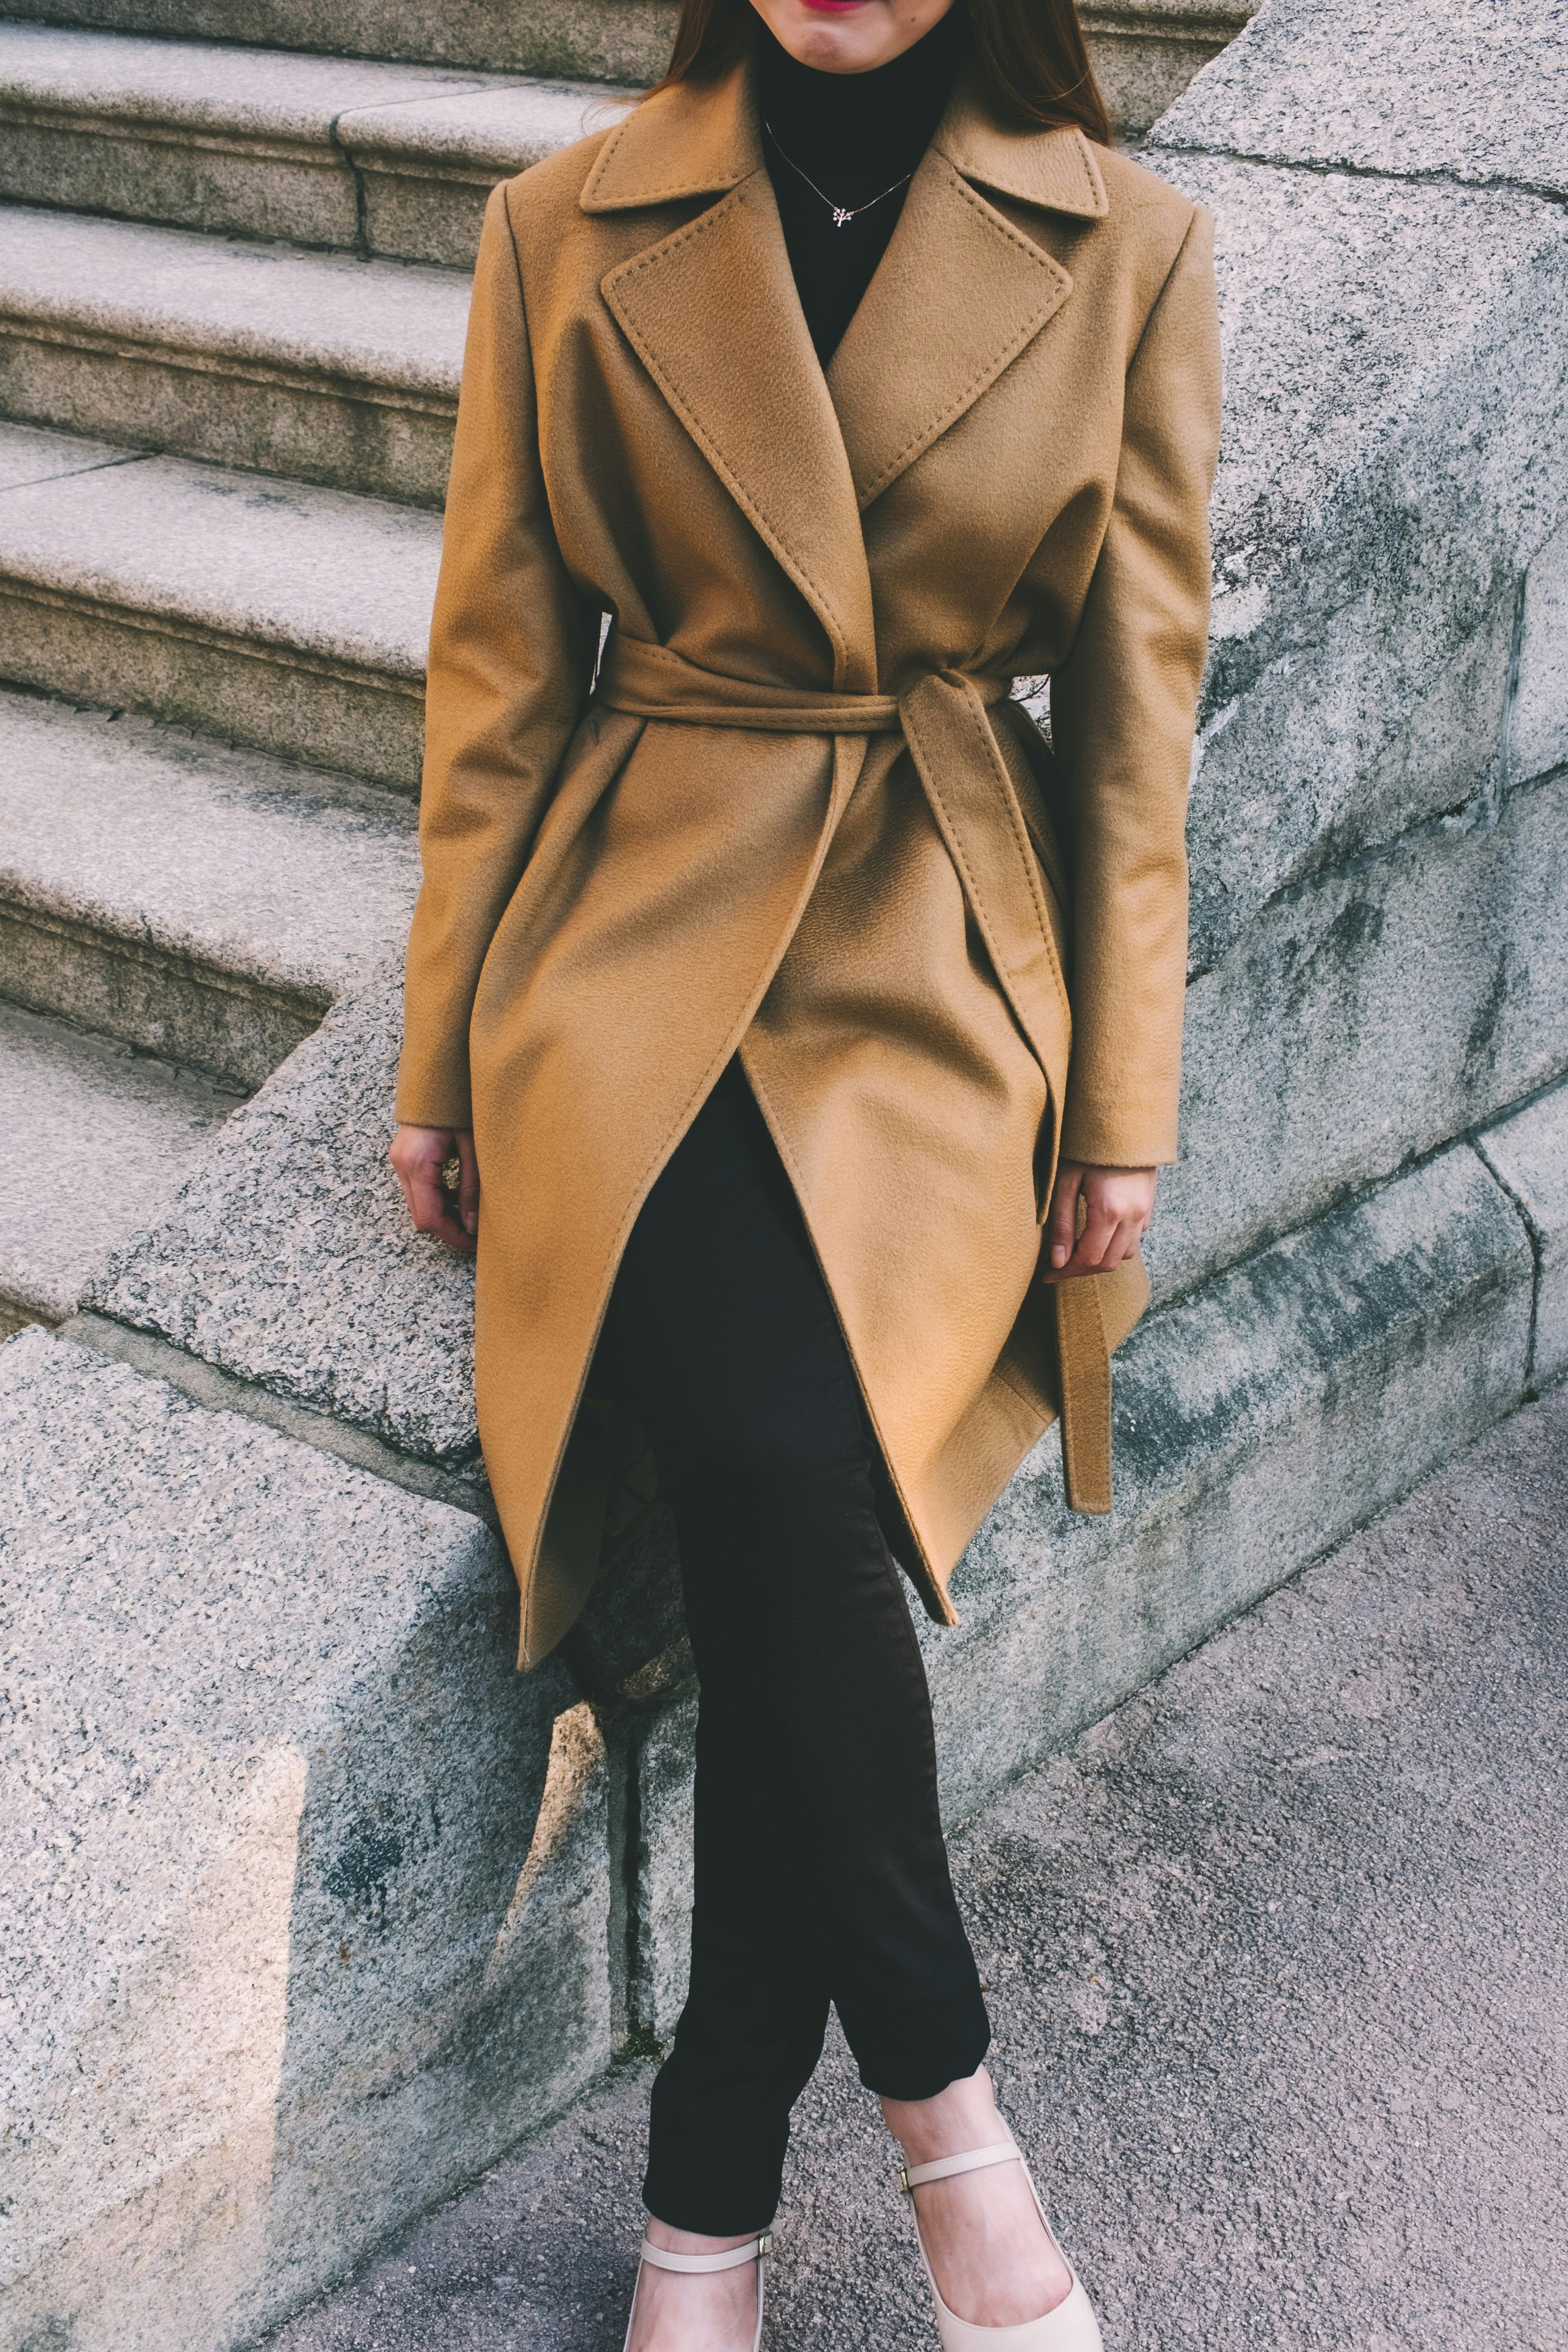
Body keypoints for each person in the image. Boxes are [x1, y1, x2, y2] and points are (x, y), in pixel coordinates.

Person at [390, 0, 1221, 2335]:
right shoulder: (560, 225)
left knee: (797, 1510)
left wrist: (1124, 1106)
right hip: (633, 940)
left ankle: (707, 2212)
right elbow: (494, 670)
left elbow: (1136, 736)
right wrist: (443, 1045)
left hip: (944, 948)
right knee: (782, 1468)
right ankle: (954, 2139)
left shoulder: (1134, 247)